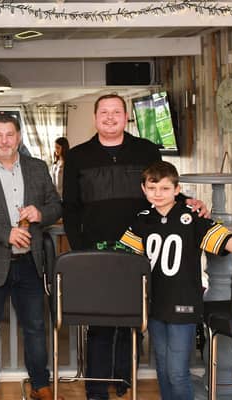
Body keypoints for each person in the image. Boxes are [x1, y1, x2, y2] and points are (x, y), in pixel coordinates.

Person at [62, 94, 208, 400]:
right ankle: (97, 389)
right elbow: (71, 208)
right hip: (97, 253)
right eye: (104, 112)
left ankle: (124, 378)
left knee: (134, 320)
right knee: (100, 323)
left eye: (117, 112)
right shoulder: (77, 156)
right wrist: (79, 250)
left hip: (144, 254)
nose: (110, 117)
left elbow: (161, 189)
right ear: (95, 117)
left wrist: (188, 202)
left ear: (127, 116)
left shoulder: (146, 150)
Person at [119, 160, 232, 400]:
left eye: (165, 188)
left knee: (177, 372)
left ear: (177, 190)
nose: (158, 194)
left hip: (183, 301)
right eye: (153, 188)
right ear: (144, 189)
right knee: (164, 370)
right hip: (153, 302)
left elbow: (224, 238)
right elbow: (127, 259)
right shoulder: (142, 219)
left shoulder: (191, 216)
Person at [0, 114, 63, 400]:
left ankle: (40, 384)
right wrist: (4, 233)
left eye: (10, 134)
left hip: (30, 264)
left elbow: (56, 205)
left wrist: (40, 214)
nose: (5, 140)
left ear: (19, 137)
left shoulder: (37, 167)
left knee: (35, 326)